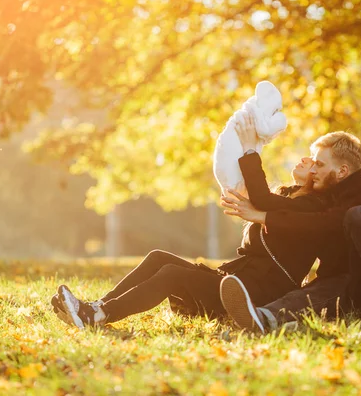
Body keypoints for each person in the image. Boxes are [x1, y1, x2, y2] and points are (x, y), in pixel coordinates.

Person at [51, 113, 328, 329]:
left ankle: (98, 316)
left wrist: (249, 150)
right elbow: (262, 200)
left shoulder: (310, 206)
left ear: (321, 179)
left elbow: (264, 200)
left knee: (172, 274)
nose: (306, 159)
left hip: (253, 294)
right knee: (159, 257)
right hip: (235, 281)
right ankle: (96, 306)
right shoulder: (288, 197)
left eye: (315, 162)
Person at [219, 129, 361, 333]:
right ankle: (263, 317)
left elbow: (328, 222)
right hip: (347, 288)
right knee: (310, 294)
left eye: (320, 165)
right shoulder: (320, 200)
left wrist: (265, 217)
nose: (313, 170)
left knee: (357, 214)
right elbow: (279, 205)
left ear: (342, 171)